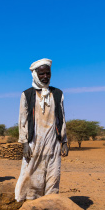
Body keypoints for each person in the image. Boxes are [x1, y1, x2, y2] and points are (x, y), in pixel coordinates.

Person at [15, 58, 68, 202]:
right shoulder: (27, 94)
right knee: (31, 173)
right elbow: (22, 120)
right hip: (34, 141)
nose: (45, 77)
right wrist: (25, 143)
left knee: (53, 174)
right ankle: (30, 203)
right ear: (35, 75)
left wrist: (64, 141)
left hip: (53, 142)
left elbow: (61, 118)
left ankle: (50, 203)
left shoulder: (57, 94)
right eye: (42, 74)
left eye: (48, 73)